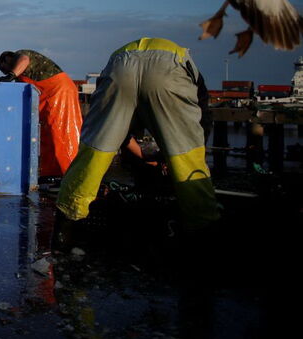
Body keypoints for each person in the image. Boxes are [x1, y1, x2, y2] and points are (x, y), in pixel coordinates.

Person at [55, 38, 219, 242]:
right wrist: (171, 157)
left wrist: (143, 156)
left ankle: (67, 225)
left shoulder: (121, 56)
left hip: (119, 65)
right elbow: (201, 120)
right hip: (169, 69)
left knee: (95, 150)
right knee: (187, 155)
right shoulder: (187, 63)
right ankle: (202, 229)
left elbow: (116, 134)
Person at [0, 49, 82, 188]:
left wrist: (11, 75)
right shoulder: (20, 77)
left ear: (8, 59)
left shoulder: (21, 55)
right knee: (47, 136)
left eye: (3, 69)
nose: (4, 73)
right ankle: (51, 174)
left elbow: (24, 60)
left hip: (59, 91)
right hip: (48, 97)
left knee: (61, 134)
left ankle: (69, 175)